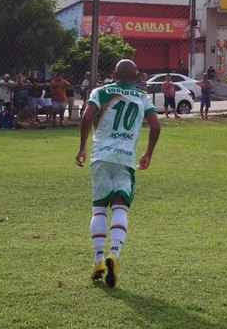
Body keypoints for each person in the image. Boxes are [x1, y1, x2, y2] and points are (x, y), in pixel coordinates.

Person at [76, 59, 161, 288]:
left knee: (99, 209)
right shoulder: (143, 96)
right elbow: (155, 126)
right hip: (125, 159)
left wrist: (82, 147)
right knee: (120, 207)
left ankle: (98, 260)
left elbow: (86, 117)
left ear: (114, 74)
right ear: (136, 76)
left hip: (101, 156)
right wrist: (148, 153)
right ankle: (114, 254)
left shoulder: (100, 91)